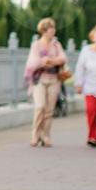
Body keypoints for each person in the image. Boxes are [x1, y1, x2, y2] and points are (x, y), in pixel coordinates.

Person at [26, 18, 68, 147]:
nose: (53, 31)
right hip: (40, 79)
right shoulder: (36, 45)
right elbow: (34, 62)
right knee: (40, 107)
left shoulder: (57, 45)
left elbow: (63, 58)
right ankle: (35, 134)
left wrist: (50, 60)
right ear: (44, 31)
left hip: (54, 79)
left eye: (54, 29)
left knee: (49, 110)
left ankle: (45, 135)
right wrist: (46, 61)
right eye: (51, 29)